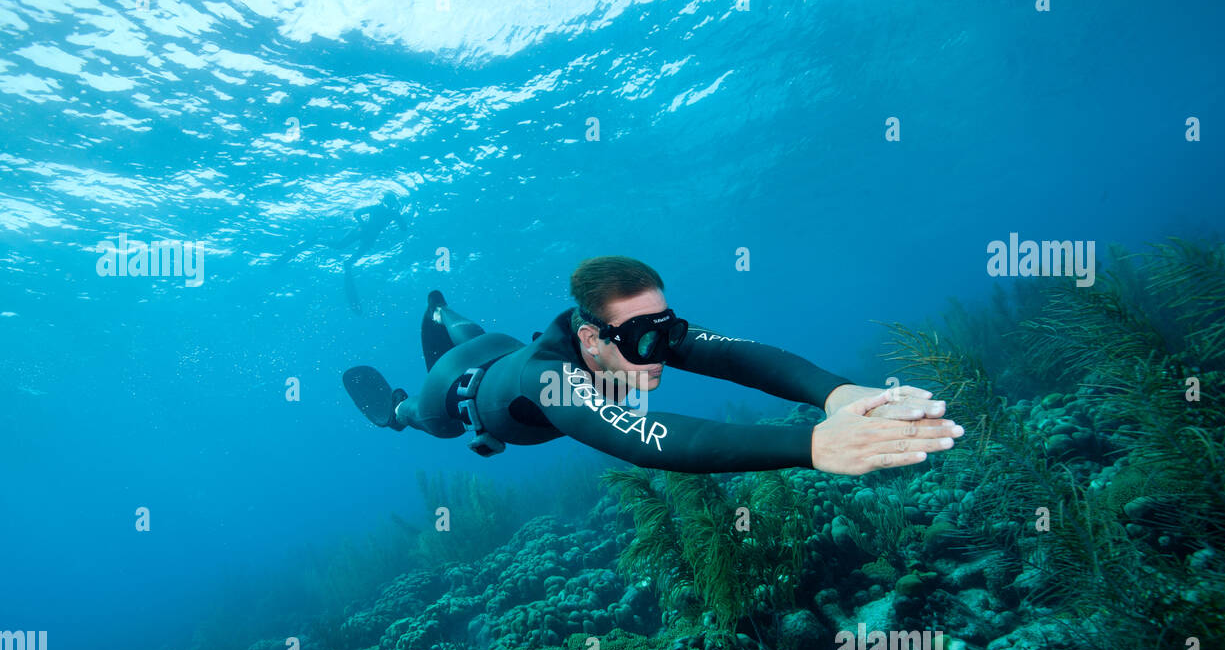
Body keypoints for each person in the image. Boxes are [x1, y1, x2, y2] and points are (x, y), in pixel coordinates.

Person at [342, 256, 963, 474]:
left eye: (666, 332)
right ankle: (398, 402)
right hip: (457, 394)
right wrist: (812, 446)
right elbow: (647, 438)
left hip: (500, 345)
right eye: (642, 340)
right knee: (420, 416)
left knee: (477, 333)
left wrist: (835, 393)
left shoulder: (639, 333)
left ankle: (447, 312)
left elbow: (741, 356)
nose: (659, 353)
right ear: (590, 338)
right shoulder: (551, 380)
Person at [274, 194, 406, 313]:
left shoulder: (389, 212)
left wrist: (394, 220)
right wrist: (365, 224)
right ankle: (319, 241)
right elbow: (357, 213)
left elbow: (402, 227)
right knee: (340, 246)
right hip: (364, 232)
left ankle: (338, 258)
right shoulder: (383, 210)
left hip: (367, 234)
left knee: (343, 250)